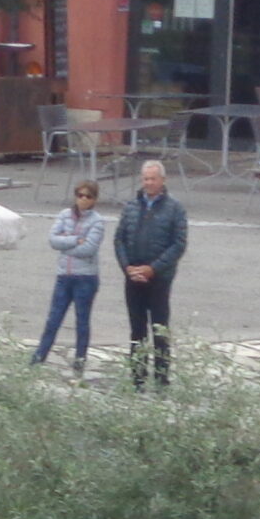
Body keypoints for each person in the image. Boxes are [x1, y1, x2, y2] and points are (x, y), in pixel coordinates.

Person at [111, 158, 187, 389]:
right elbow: (119, 239)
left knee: (160, 330)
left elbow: (178, 244)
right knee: (137, 330)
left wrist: (153, 268)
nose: (149, 183)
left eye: (153, 179)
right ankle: (138, 378)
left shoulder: (175, 208)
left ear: (163, 180)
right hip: (133, 276)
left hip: (159, 278)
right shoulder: (131, 207)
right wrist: (127, 267)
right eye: (145, 179)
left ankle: (162, 378)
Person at [33, 180, 104, 374]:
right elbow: (53, 240)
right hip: (64, 275)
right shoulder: (65, 215)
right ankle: (38, 358)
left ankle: (80, 361)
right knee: (53, 319)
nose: (83, 199)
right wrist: (74, 240)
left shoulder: (97, 221)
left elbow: (89, 248)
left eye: (88, 196)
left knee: (82, 321)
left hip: (86, 278)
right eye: (80, 195)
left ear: (94, 200)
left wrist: (65, 246)